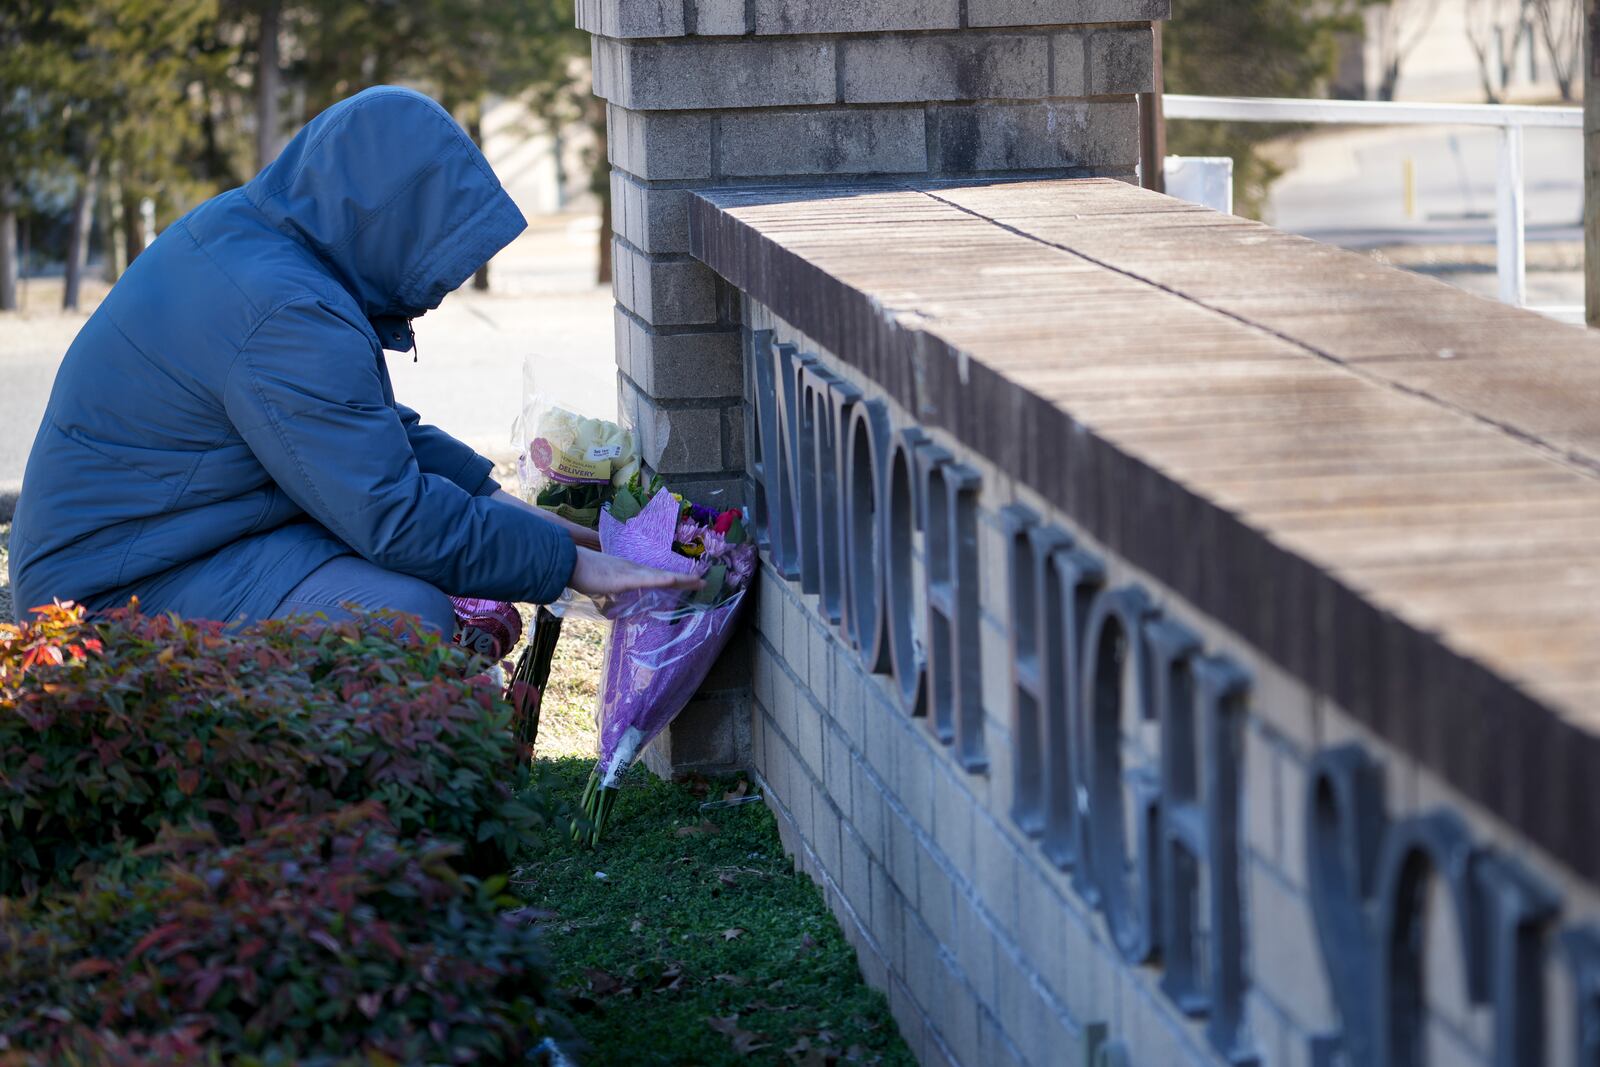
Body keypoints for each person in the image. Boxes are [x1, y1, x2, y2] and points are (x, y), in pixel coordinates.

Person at [6, 86, 696, 634]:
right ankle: (334, 807)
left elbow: (359, 435)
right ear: (392, 220)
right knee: (401, 618)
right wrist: (575, 566)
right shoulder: (287, 312)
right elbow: (395, 517)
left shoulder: (255, 239)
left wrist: (539, 518)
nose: (440, 288)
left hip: (156, 548)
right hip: (101, 602)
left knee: (415, 579)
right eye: (441, 252)